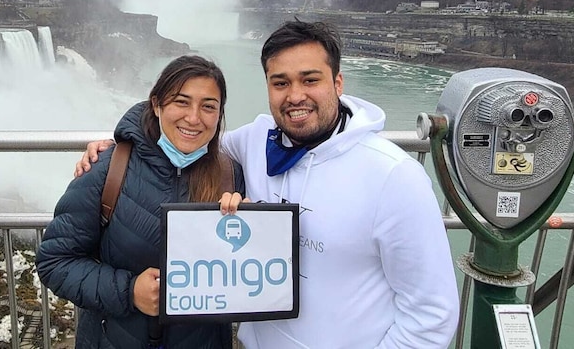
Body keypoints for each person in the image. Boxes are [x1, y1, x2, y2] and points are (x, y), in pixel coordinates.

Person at [78, 20, 460, 348]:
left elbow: (432, 313)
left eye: (310, 80)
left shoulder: (394, 176)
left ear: (338, 82)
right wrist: (122, 144)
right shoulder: (255, 141)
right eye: (281, 82)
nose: (295, 96)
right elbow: (190, 139)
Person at [37, 55, 245, 349]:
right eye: (181, 102)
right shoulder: (109, 170)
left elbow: (243, 268)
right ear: (157, 104)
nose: (194, 118)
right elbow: (54, 262)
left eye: (208, 106)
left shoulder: (230, 175)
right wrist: (129, 291)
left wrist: (250, 224)